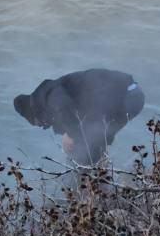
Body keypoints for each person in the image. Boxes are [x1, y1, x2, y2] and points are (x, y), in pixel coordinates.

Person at [13, 69, 145, 166]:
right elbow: (68, 115)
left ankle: (84, 182)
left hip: (127, 96)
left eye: (38, 122)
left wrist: (70, 135)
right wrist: (68, 134)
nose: (43, 125)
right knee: (94, 141)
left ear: (34, 110)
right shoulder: (51, 93)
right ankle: (96, 179)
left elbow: (63, 107)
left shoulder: (49, 94)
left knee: (86, 144)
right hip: (131, 96)